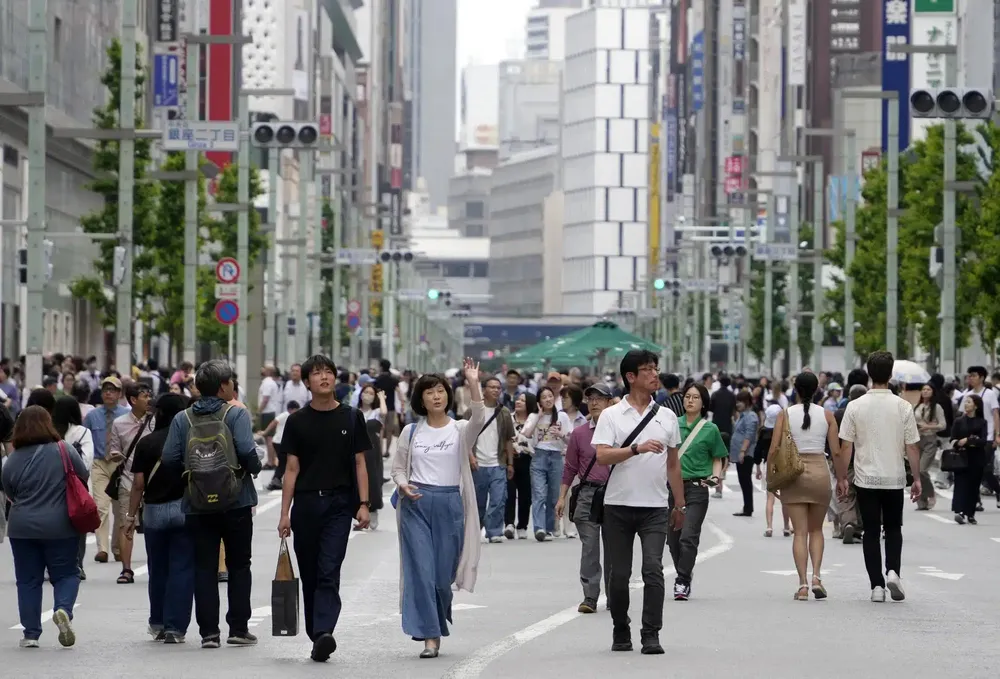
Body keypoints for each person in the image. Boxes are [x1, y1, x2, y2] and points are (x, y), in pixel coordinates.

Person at [277, 355, 372, 662]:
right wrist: (284, 513)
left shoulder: (351, 417)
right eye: (317, 373)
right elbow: (291, 469)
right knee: (311, 573)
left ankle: (323, 633)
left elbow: (360, 462)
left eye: (328, 372)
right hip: (305, 505)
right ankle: (317, 633)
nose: (324, 377)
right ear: (307, 382)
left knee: (329, 570)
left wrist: (364, 504)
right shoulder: (296, 421)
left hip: (339, 505)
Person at [161, 360, 262, 648]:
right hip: (237, 500)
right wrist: (254, 467)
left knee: (204, 567)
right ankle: (239, 629)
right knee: (239, 564)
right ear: (223, 386)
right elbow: (245, 450)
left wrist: (193, 477)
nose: (233, 385)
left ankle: (209, 633)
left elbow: (169, 458)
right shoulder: (235, 413)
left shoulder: (183, 418)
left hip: (197, 504)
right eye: (231, 381)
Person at [390, 359, 485, 659]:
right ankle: (431, 636)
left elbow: (479, 417)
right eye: (429, 392)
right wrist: (404, 485)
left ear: (447, 395)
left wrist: (473, 382)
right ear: (421, 399)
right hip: (415, 505)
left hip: (449, 505)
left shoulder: (459, 430)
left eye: (440, 391)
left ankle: (438, 611)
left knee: (442, 577)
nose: (436, 396)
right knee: (421, 571)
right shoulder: (411, 432)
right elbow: (398, 469)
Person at [592, 349, 685, 655]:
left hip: (655, 508)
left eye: (655, 369)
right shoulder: (611, 415)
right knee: (618, 575)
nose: (654, 375)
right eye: (647, 370)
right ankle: (621, 628)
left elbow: (673, 464)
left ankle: (651, 633)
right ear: (631, 377)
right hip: (618, 507)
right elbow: (603, 455)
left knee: (653, 569)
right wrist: (636, 448)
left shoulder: (668, 416)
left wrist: (679, 504)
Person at [836, 350, 921, 602]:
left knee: (871, 531)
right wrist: (916, 478)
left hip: (865, 479)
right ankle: (893, 571)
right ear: (891, 374)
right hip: (894, 478)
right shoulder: (903, 406)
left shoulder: (854, 406)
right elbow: (912, 446)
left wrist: (842, 478)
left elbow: (845, 447)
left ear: (869, 375)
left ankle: (876, 586)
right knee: (894, 528)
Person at [2, 406, 89, 648]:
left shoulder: (13, 458)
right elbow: (82, 474)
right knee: (67, 574)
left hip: (22, 527)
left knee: (28, 580)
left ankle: (30, 634)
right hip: (60, 524)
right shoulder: (63, 449)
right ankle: (62, 610)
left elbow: (9, 490)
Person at [125, 393, 193, 643]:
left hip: (153, 512)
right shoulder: (188, 440)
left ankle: (158, 622)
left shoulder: (147, 443)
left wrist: (131, 516)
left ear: (159, 413)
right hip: (183, 509)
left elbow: (138, 484)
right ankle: (176, 628)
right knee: (183, 569)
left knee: (158, 569)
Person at [768, 372, 842, 600]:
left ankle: (802, 585)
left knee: (799, 532)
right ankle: (817, 577)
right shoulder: (828, 415)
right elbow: (836, 451)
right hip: (820, 473)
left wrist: (771, 478)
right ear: (818, 389)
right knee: (816, 530)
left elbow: (774, 449)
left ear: (796, 390)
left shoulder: (785, 414)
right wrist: (842, 479)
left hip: (794, 475)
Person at [555, 382, 613, 614]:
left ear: (610, 402)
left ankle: (614, 594)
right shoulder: (579, 434)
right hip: (587, 494)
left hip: (614, 493)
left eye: (600, 398)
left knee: (614, 547)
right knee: (590, 547)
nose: (595, 402)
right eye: (591, 398)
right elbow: (569, 468)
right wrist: (561, 498)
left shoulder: (620, 431)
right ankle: (590, 596)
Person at [667, 383, 728, 601]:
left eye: (695, 397)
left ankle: (682, 580)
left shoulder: (709, 429)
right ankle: (685, 569)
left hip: (696, 489)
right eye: (687, 397)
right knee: (672, 539)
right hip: (672, 488)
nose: (690, 401)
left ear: (703, 403)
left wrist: (715, 476)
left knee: (688, 536)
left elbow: (717, 457)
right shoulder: (673, 425)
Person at [109, 382, 155, 584]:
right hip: (127, 480)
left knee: (155, 525)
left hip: (153, 482)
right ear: (133, 400)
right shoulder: (119, 423)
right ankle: (126, 569)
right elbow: (113, 450)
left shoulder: (155, 422)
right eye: (145, 396)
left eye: (149, 395)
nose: (149, 400)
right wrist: (115, 456)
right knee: (125, 524)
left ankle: (156, 564)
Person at [81, 376, 130, 564]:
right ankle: (102, 549)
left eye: (113, 390)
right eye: (105, 390)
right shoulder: (92, 416)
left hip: (120, 465)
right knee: (101, 506)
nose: (108, 393)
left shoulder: (127, 415)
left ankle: (117, 547)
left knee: (119, 510)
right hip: (100, 463)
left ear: (119, 394)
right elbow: (84, 439)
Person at [521, 386, 572, 541]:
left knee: (553, 496)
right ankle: (539, 528)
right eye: (544, 397)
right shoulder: (533, 416)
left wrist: (561, 435)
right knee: (539, 494)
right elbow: (526, 434)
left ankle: (549, 528)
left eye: (550, 396)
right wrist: (538, 416)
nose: (548, 399)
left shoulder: (562, 416)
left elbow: (571, 440)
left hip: (556, 457)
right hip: (539, 456)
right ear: (539, 401)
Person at [52, 396, 94, 580]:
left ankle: (55, 564)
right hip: (77, 487)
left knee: (55, 526)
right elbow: (86, 463)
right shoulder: (83, 432)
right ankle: (77, 564)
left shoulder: (50, 433)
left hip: (53, 486)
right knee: (78, 526)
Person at [471, 376, 515, 544]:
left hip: (498, 463)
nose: (496, 390)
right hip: (478, 464)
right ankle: (476, 530)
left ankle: (494, 531)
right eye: (492, 387)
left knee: (498, 499)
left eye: (498, 388)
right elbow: (464, 437)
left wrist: (510, 463)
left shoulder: (504, 412)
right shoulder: (474, 411)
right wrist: (470, 457)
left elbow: (508, 439)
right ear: (484, 390)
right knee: (479, 502)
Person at [950, 394, 987, 524]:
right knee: (960, 485)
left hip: (977, 458)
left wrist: (968, 440)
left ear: (976, 406)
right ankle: (959, 511)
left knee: (973, 486)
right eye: (965, 402)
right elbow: (952, 439)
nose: (966, 404)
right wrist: (959, 442)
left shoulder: (982, 422)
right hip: (961, 457)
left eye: (969, 402)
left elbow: (983, 441)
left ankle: (970, 513)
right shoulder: (958, 421)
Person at [504, 392, 536, 540]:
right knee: (509, 493)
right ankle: (509, 523)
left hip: (527, 459)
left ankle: (522, 525)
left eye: (523, 400)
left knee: (526, 494)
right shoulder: (508, 418)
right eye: (518, 399)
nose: (518, 402)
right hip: (510, 458)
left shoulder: (534, 420)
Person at [913, 383, 945, 511]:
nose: (925, 392)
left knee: (922, 469)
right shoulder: (917, 406)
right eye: (924, 389)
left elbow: (943, 425)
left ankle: (931, 493)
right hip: (917, 440)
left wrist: (929, 427)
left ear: (933, 392)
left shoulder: (936, 407)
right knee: (916, 471)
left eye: (928, 389)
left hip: (930, 440)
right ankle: (921, 500)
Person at [260, 400, 301, 493]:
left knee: (284, 462)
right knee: (284, 462)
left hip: (281, 442)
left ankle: (276, 480)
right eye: (296, 410)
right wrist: (266, 432)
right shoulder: (285, 414)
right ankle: (275, 480)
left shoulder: (294, 417)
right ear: (290, 409)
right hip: (279, 442)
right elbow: (274, 422)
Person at [730, 391, 759, 517]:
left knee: (745, 480)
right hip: (739, 453)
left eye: (740, 401)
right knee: (743, 480)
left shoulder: (751, 416)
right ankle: (746, 506)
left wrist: (743, 450)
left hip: (746, 454)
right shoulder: (742, 415)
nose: (737, 404)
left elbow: (749, 435)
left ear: (747, 402)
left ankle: (748, 508)